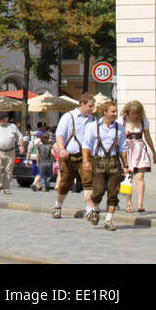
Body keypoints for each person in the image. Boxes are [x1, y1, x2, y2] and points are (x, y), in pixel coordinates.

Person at [81, 101, 127, 231]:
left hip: (114, 162)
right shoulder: (93, 126)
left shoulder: (120, 128)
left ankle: (108, 220)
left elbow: (123, 148)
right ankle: (95, 210)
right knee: (98, 191)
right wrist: (86, 161)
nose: (115, 114)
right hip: (98, 162)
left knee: (113, 193)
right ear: (105, 112)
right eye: (112, 111)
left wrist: (126, 165)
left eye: (116, 111)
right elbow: (86, 145)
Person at [53, 93, 96, 221]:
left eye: (93, 106)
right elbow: (60, 134)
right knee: (65, 183)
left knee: (88, 181)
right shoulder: (68, 117)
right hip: (68, 156)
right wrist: (62, 149)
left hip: (85, 157)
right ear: (82, 104)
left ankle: (90, 209)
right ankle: (58, 206)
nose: (92, 109)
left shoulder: (93, 120)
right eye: (90, 106)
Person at [120, 100, 156, 213]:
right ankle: (129, 204)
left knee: (140, 177)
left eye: (137, 113)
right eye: (132, 113)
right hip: (127, 150)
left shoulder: (143, 120)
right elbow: (116, 137)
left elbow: (148, 137)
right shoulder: (122, 120)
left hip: (140, 149)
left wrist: (154, 152)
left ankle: (140, 204)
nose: (135, 116)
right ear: (128, 112)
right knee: (128, 177)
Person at [0, 112, 24, 195]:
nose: (0, 120)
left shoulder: (12, 127)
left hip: (10, 151)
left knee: (8, 170)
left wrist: (21, 146)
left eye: (2, 118)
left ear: (7, 119)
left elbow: (20, 137)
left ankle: (7, 188)